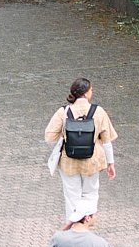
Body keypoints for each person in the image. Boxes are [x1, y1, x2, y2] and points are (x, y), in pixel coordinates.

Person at [44, 77, 118, 218]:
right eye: (91, 90)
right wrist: (110, 163)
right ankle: (87, 224)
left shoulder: (63, 112)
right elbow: (107, 141)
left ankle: (72, 227)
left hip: (69, 161)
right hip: (92, 161)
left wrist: (66, 134)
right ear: (85, 93)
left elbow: (49, 136)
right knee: (90, 194)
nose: (92, 92)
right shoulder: (99, 111)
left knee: (72, 197)